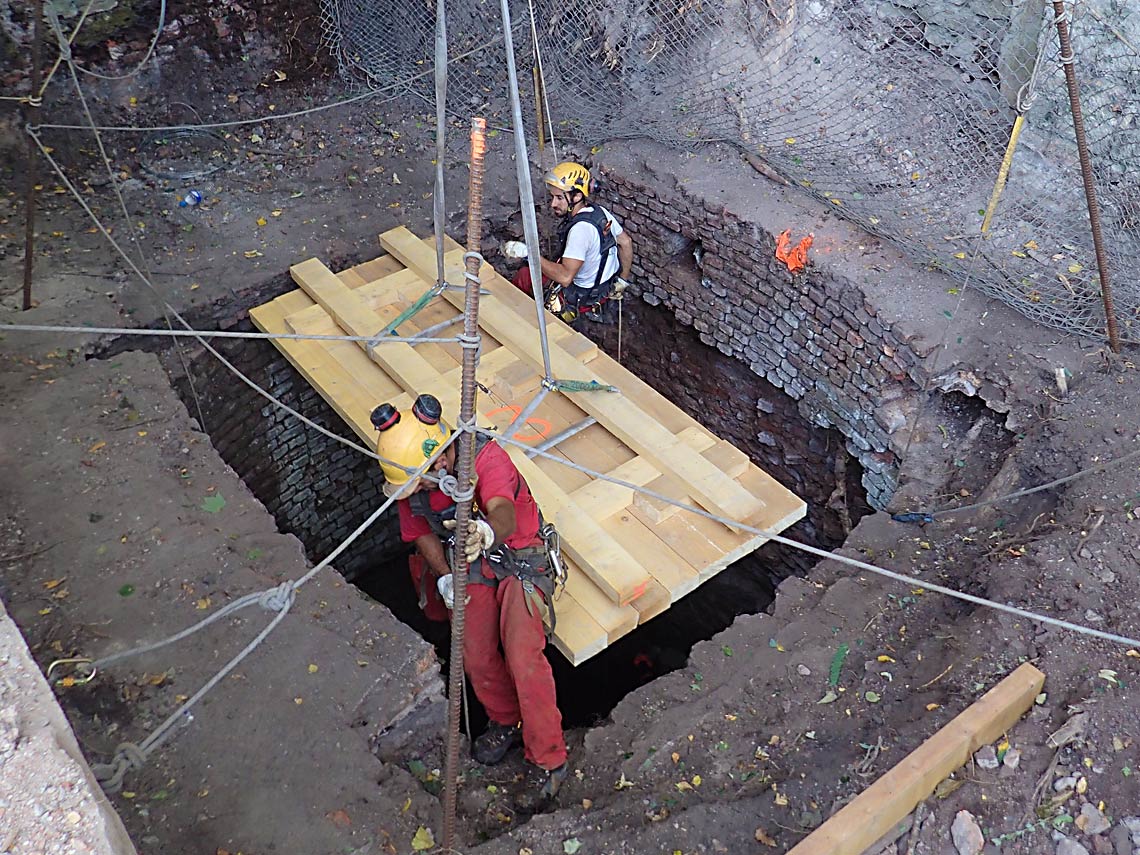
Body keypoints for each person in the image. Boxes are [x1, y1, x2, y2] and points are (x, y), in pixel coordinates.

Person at [371, 394, 569, 804]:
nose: (417, 490)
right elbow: (419, 532)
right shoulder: (417, 481)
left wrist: (488, 533)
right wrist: (445, 578)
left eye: (421, 480)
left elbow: (502, 509)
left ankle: (549, 759)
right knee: (473, 650)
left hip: (519, 555)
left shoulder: (485, 459)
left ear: (441, 460)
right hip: (471, 560)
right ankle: (505, 719)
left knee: (521, 652)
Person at [509, 161, 634, 324]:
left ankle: (516, 317)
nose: (553, 204)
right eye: (553, 197)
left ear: (577, 196)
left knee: (524, 276)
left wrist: (529, 255)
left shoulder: (580, 231)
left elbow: (565, 277)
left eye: (559, 198)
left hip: (581, 297)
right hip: (604, 289)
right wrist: (622, 281)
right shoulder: (600, 213)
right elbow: (625, 243)